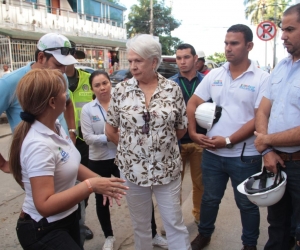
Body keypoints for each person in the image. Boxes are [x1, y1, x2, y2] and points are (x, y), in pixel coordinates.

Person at [9, 68, 128, 250]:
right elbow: (45, 205)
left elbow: (72, 165)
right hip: (44, 227)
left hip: (67, 217)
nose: (68, 96)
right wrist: (91, 186)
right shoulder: (38, 145)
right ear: (52, 102)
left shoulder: (55, 126)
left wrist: (100, 181)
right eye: (64, 92)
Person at [187, 24, 269, 250]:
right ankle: (204, 235)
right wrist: (194, 133)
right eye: (226, 43)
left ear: (249, 46)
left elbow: (258, 117)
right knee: (210, 199)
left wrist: (230, 140)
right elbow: (193, 103)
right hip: (212, 154)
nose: (228, 48)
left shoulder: (262, 78)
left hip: (246, 156)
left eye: (234, 43)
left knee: (247, 204)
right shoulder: (215, 74)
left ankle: (249, 245)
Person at [105, 34, 191, 250]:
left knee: (174, 223)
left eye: (138, 61)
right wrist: (131, 149)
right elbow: (110, 128)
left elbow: (181, 129)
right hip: (132, 171)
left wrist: (159, 145)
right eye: (130, 60)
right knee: (141, 226)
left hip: (167, 169)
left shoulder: (172, 89)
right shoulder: (121, 91)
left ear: (154, 61)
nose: (132, 66)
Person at [254, 4, 300, 250]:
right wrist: (267, 150)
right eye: (283, 29)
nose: (283, 36)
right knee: (277, 227)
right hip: (277, 163)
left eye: (290, 29)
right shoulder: (282, 66)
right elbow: (263, 110)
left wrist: (267, 141)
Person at [0, 33, 77, 174]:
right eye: (58, 65)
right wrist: (4, 164)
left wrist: (72, 131)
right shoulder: (10, 82)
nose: (62, 71)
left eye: (65, 66)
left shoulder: (61, 76)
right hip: (38, 164)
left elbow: (68, 103)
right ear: (41, 57)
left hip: (65, 155)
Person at [169, 43, 205, 224]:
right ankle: (174, 222)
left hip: (201, 140)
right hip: (177, 142)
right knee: (174, 186)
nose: (182, 62)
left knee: (200, 184)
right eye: (178, 58)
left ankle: (199, 216)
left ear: (195, 58)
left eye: (186, 57)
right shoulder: (169, 84)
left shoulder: (206, 82)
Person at [65, 41, 94, 244]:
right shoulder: (53, 80)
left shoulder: (88, 79)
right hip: (61, 141)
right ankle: (66, 224)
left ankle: (80, 222)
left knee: (85, 184)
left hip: (84, 142)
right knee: (63, 183)